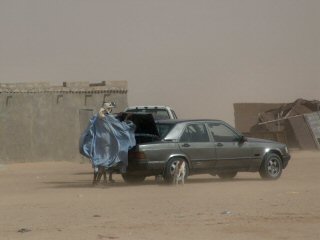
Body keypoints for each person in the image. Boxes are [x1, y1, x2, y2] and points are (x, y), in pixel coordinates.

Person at [79, 102, 136, 185]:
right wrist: (127, 119)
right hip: (107, 142)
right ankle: (97, 181)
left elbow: (90, 127)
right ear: (108, 109)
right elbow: (120, 126)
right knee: (104, 161)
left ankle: (94, 181)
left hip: (97, 141)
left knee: (97, 160)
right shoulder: (109, 118)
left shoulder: (95, 117)